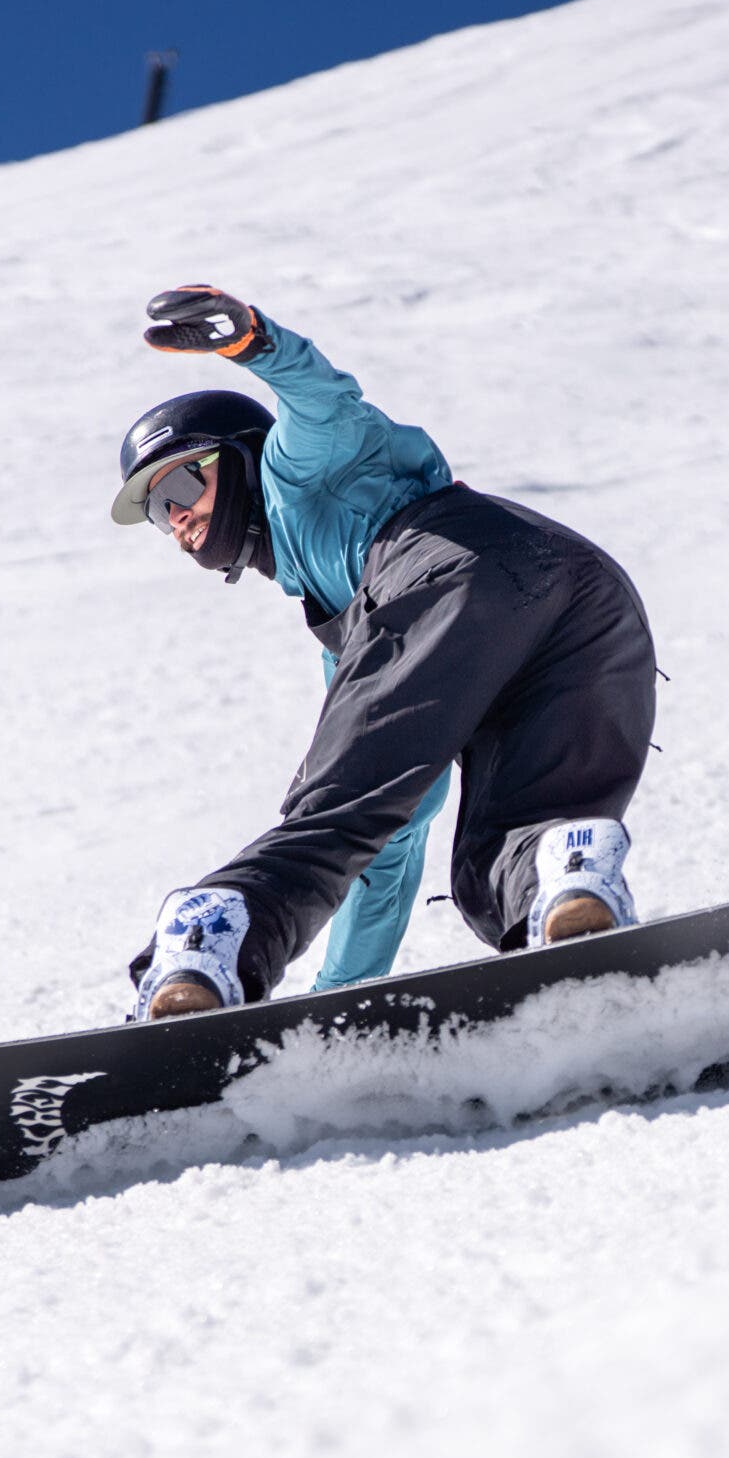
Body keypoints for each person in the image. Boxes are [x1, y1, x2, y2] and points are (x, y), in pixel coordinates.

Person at [111, 286, 658, 1019]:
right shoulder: (350, 622)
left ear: (240, 456)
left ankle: (207, 944)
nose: (176, 514)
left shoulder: (295, 469)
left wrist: (252, 341)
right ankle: (566, 865)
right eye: (155, 507)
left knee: (327, 817)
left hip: (448, 565)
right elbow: (393, 834)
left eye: (182, 479)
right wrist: (339, 1000)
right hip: (588, 600)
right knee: (498, 862)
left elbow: (322, 400)